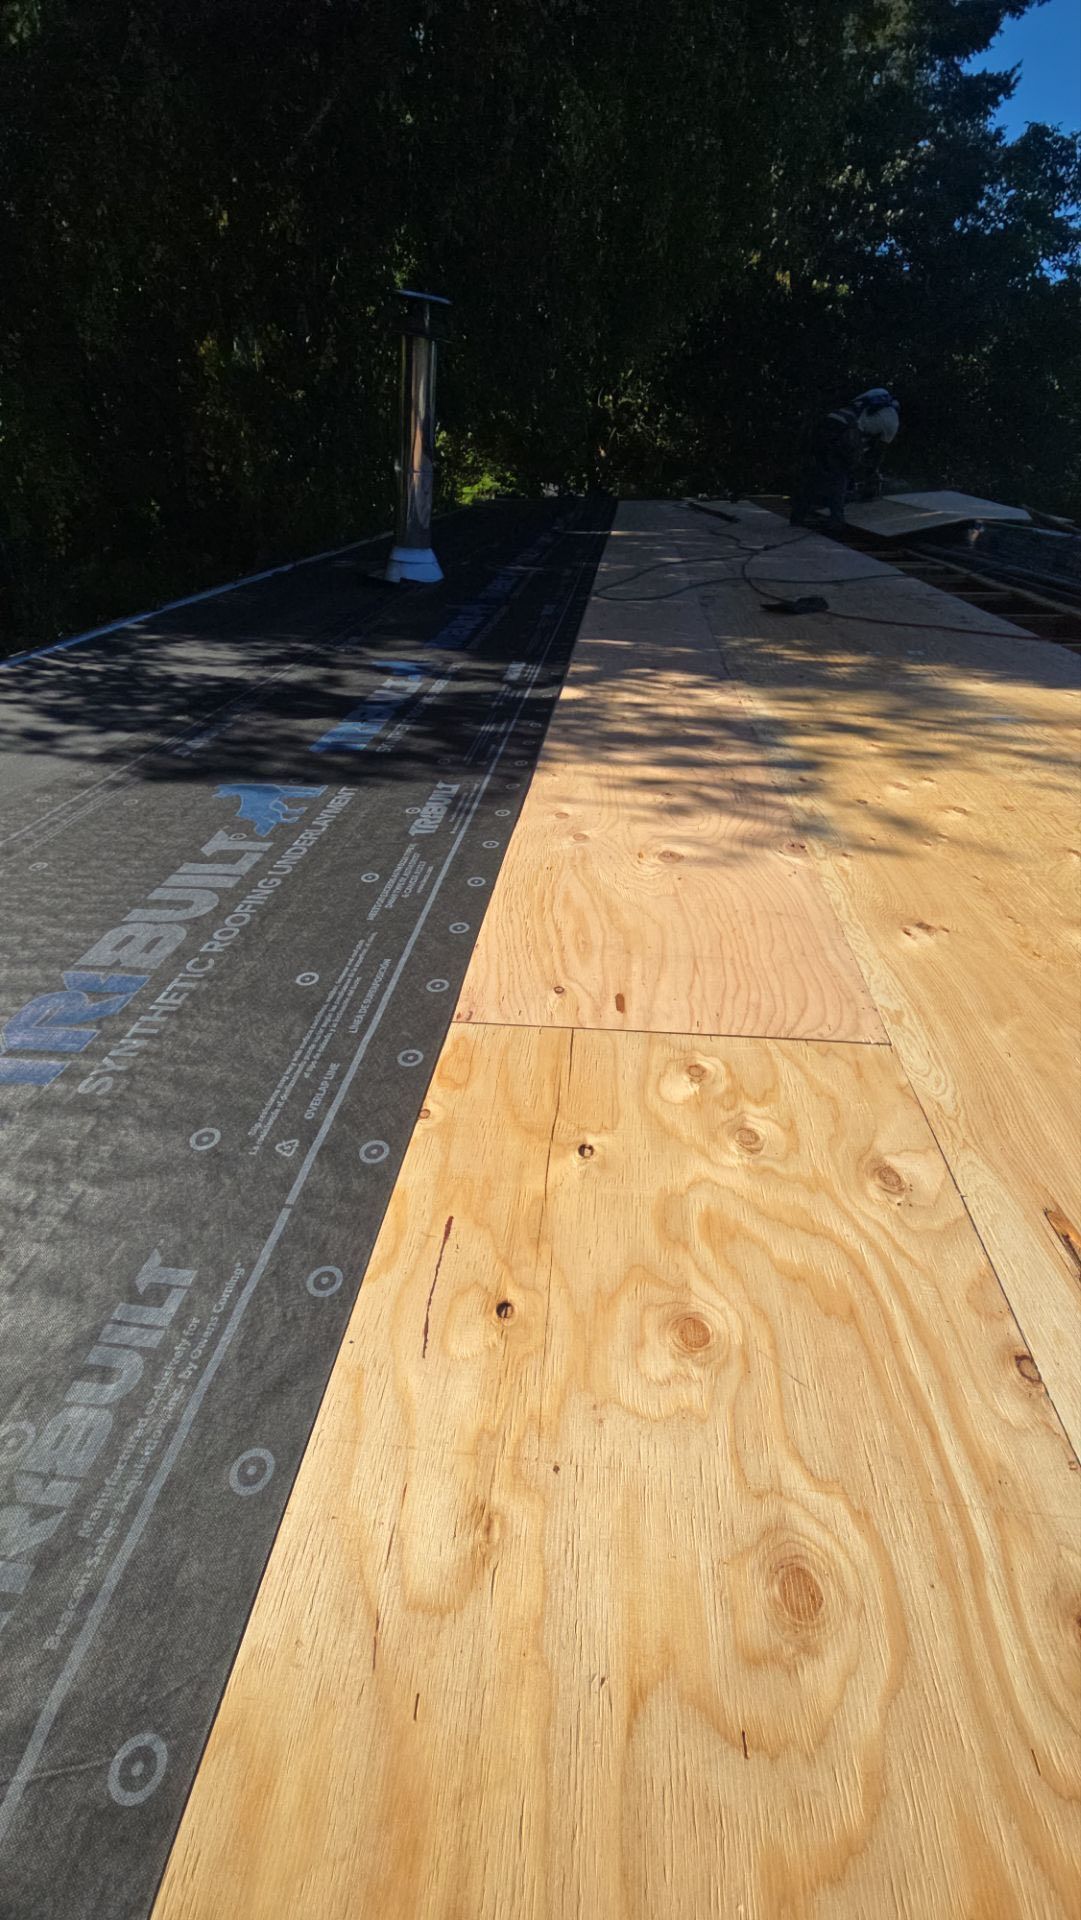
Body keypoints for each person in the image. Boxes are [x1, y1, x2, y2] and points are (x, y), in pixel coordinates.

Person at [789, 386, 900, 526]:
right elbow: (879, 451)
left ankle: (797, 516)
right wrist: (871, 472)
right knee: (839, 476)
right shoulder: (892, 422)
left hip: (826, 423)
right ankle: (836, 520)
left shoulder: (876, 398)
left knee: (815, 473)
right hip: (843, 430)